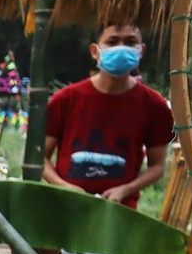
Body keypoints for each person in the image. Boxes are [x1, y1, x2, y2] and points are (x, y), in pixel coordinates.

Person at [42, 21, 173, 208]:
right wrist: (64, 186)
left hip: (119, 212)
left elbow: (158, 166)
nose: (121, 48)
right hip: (65, 207)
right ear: (95, 51)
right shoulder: (65, 99)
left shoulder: (155, 106)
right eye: (112, 42)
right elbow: (41, 157)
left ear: (141, 51)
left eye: (130, 42)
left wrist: (125, 190)